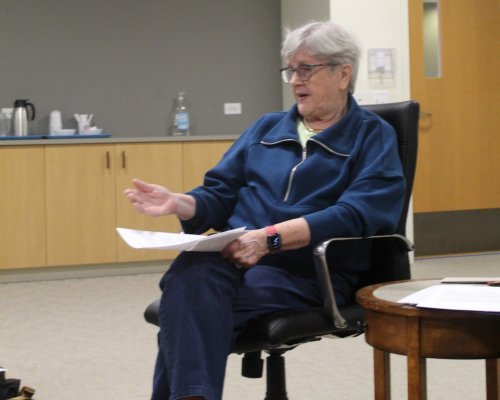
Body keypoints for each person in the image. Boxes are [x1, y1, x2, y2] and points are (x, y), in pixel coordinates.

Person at [125, 20, 406, 400]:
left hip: (310, 270)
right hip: (235, 258)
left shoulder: (372, 135)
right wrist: (180, 203)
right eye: (291, 69)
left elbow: (360, 211)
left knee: (185, 305)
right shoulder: (266, 128)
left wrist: (271, 238)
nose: (295, 80)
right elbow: (220, 194)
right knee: (192, 277)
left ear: (343, 74)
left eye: (307, 69)